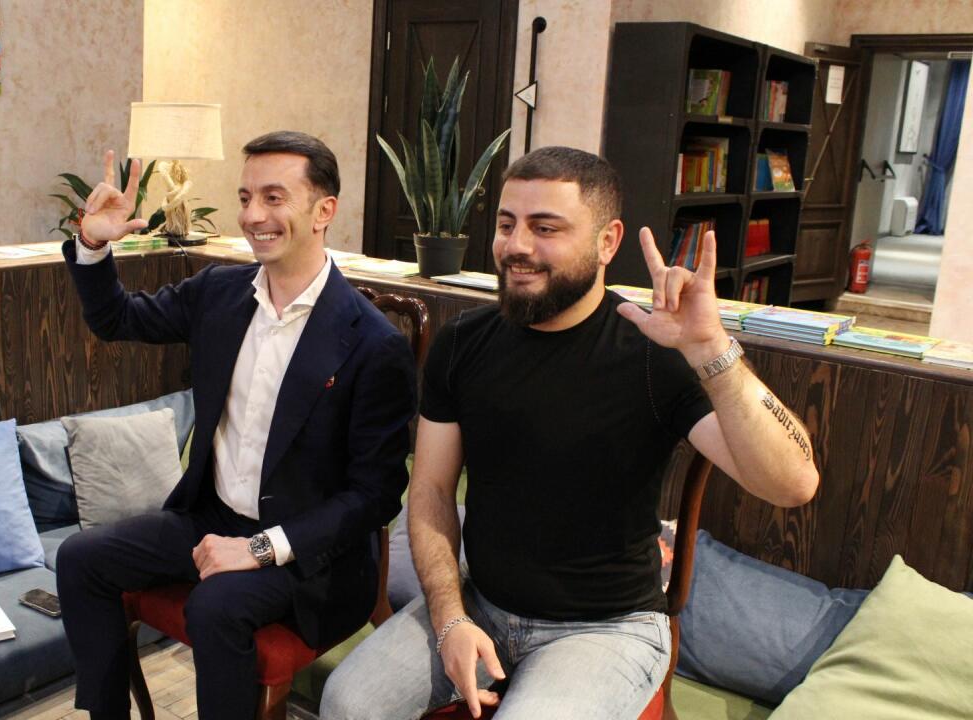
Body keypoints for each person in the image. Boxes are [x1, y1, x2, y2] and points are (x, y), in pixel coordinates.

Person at [322, 146, 819, 720]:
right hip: (481, 601)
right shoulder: (463, 343)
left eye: (545, 228)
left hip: (607, 629)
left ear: (607, 242)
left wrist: (711, 349)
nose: (517, 246)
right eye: (506, 224)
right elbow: (431, 489)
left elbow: (793, 484)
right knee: (347, 703)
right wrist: (450, 617)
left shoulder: (655, 353)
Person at [55, 131, 416, 720]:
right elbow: (116, 318)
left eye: (274, 197)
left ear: (323, 211)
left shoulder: (373, 343)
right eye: (246, 198)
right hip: (211, 516)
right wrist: (94, 243)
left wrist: (260, 549)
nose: (252, 216)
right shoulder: (219, 293)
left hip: (312, 555)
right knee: (80, 558)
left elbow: (374, 496)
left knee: (216, 605)